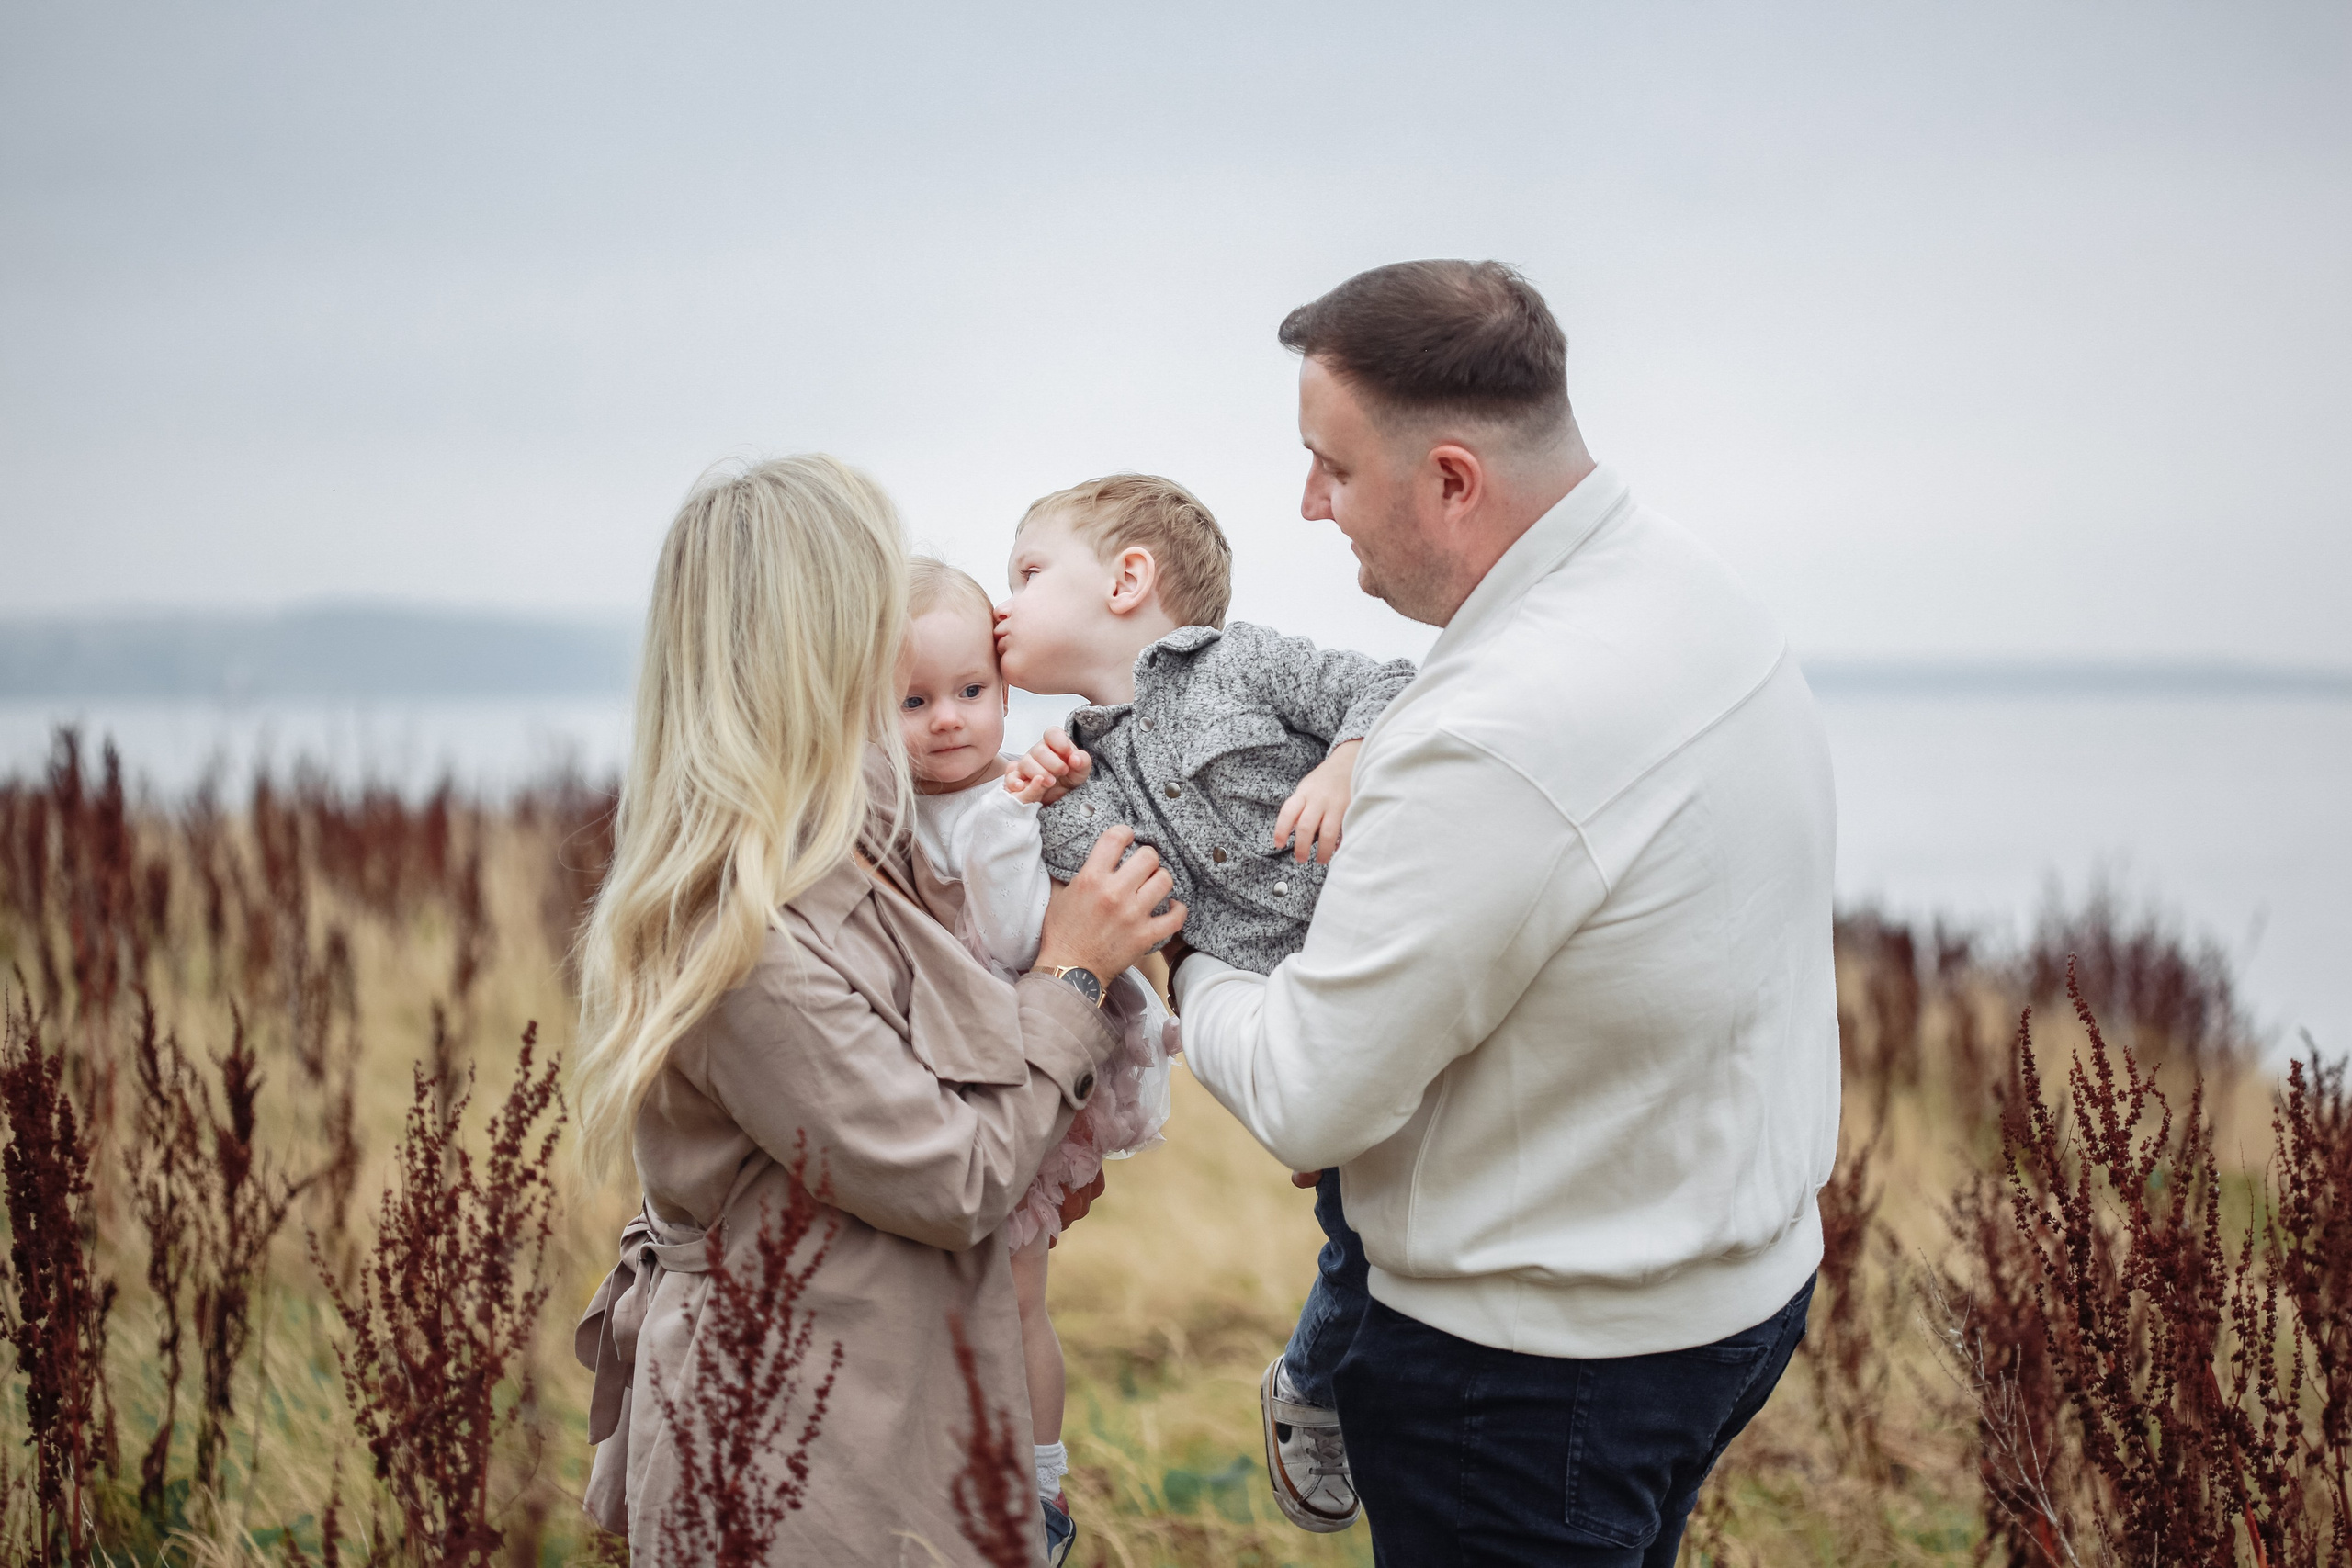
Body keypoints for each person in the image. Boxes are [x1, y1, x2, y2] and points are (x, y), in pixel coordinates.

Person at [1174, 260, 1842, 1566]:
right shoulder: (1699, 595)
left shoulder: (1491, 731)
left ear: (1454, 480)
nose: (1310, 505)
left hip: (1540, 1376)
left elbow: (1311, 1094)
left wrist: (1184, 947)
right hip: (1726, 1292)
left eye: (1333, 467)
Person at [568, 456, 1182, 1567]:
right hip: (799, 1451)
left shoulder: (849, 835)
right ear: (808, 651)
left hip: (889, 1406)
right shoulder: (740, 923)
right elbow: (951, 1175)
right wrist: (1076, 974)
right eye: (868, 611)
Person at [994, 471, 1415, 1534]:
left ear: (1129, 578)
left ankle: (1381, 1392)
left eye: (1028, 574)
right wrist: (1030, 799)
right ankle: (1318, 1387)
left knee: (1439, 1215)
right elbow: (1108, 919)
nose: (1003, 604)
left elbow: (1395, 683)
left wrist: (1348, 766)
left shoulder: (1244, 662)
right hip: (1290, 1032)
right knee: (1360, 1235)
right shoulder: (1074, 771)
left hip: (1398, 964)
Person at [895, 555, 1180, 1563]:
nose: (947, 720)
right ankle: (955, 1472)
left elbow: (1021, 941)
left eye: (971, 692)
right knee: (932, 1299)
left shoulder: (1015, 798)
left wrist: (1009, 827)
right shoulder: (879, 801)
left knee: (1016, 1293)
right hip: (941, 1079)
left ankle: (1040, 1494)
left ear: (1004, 689)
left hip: (1027, 1057)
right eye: (912, 701)